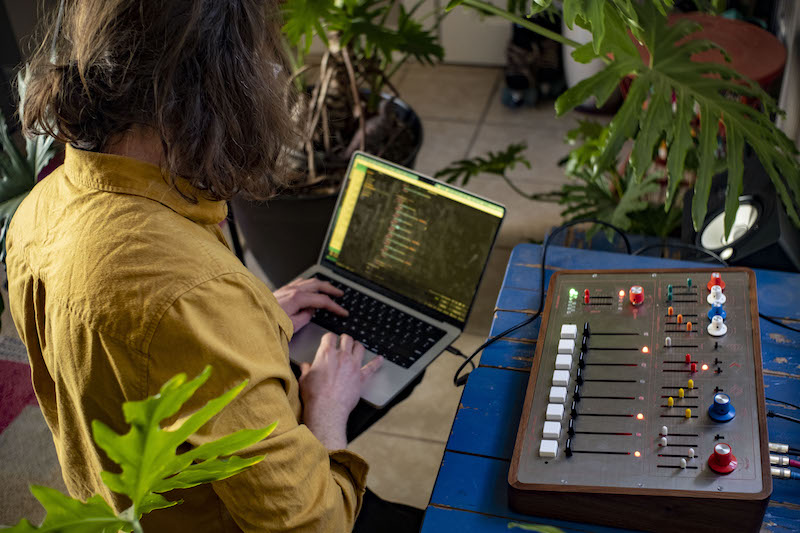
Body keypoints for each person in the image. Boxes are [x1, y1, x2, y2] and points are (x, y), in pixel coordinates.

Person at [7, 1, 422, 531]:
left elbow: (138, 356)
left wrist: (252, 322)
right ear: (219, 86)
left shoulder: (39, 210)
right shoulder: (194, 295)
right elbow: (317, 525)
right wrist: (324, 415)